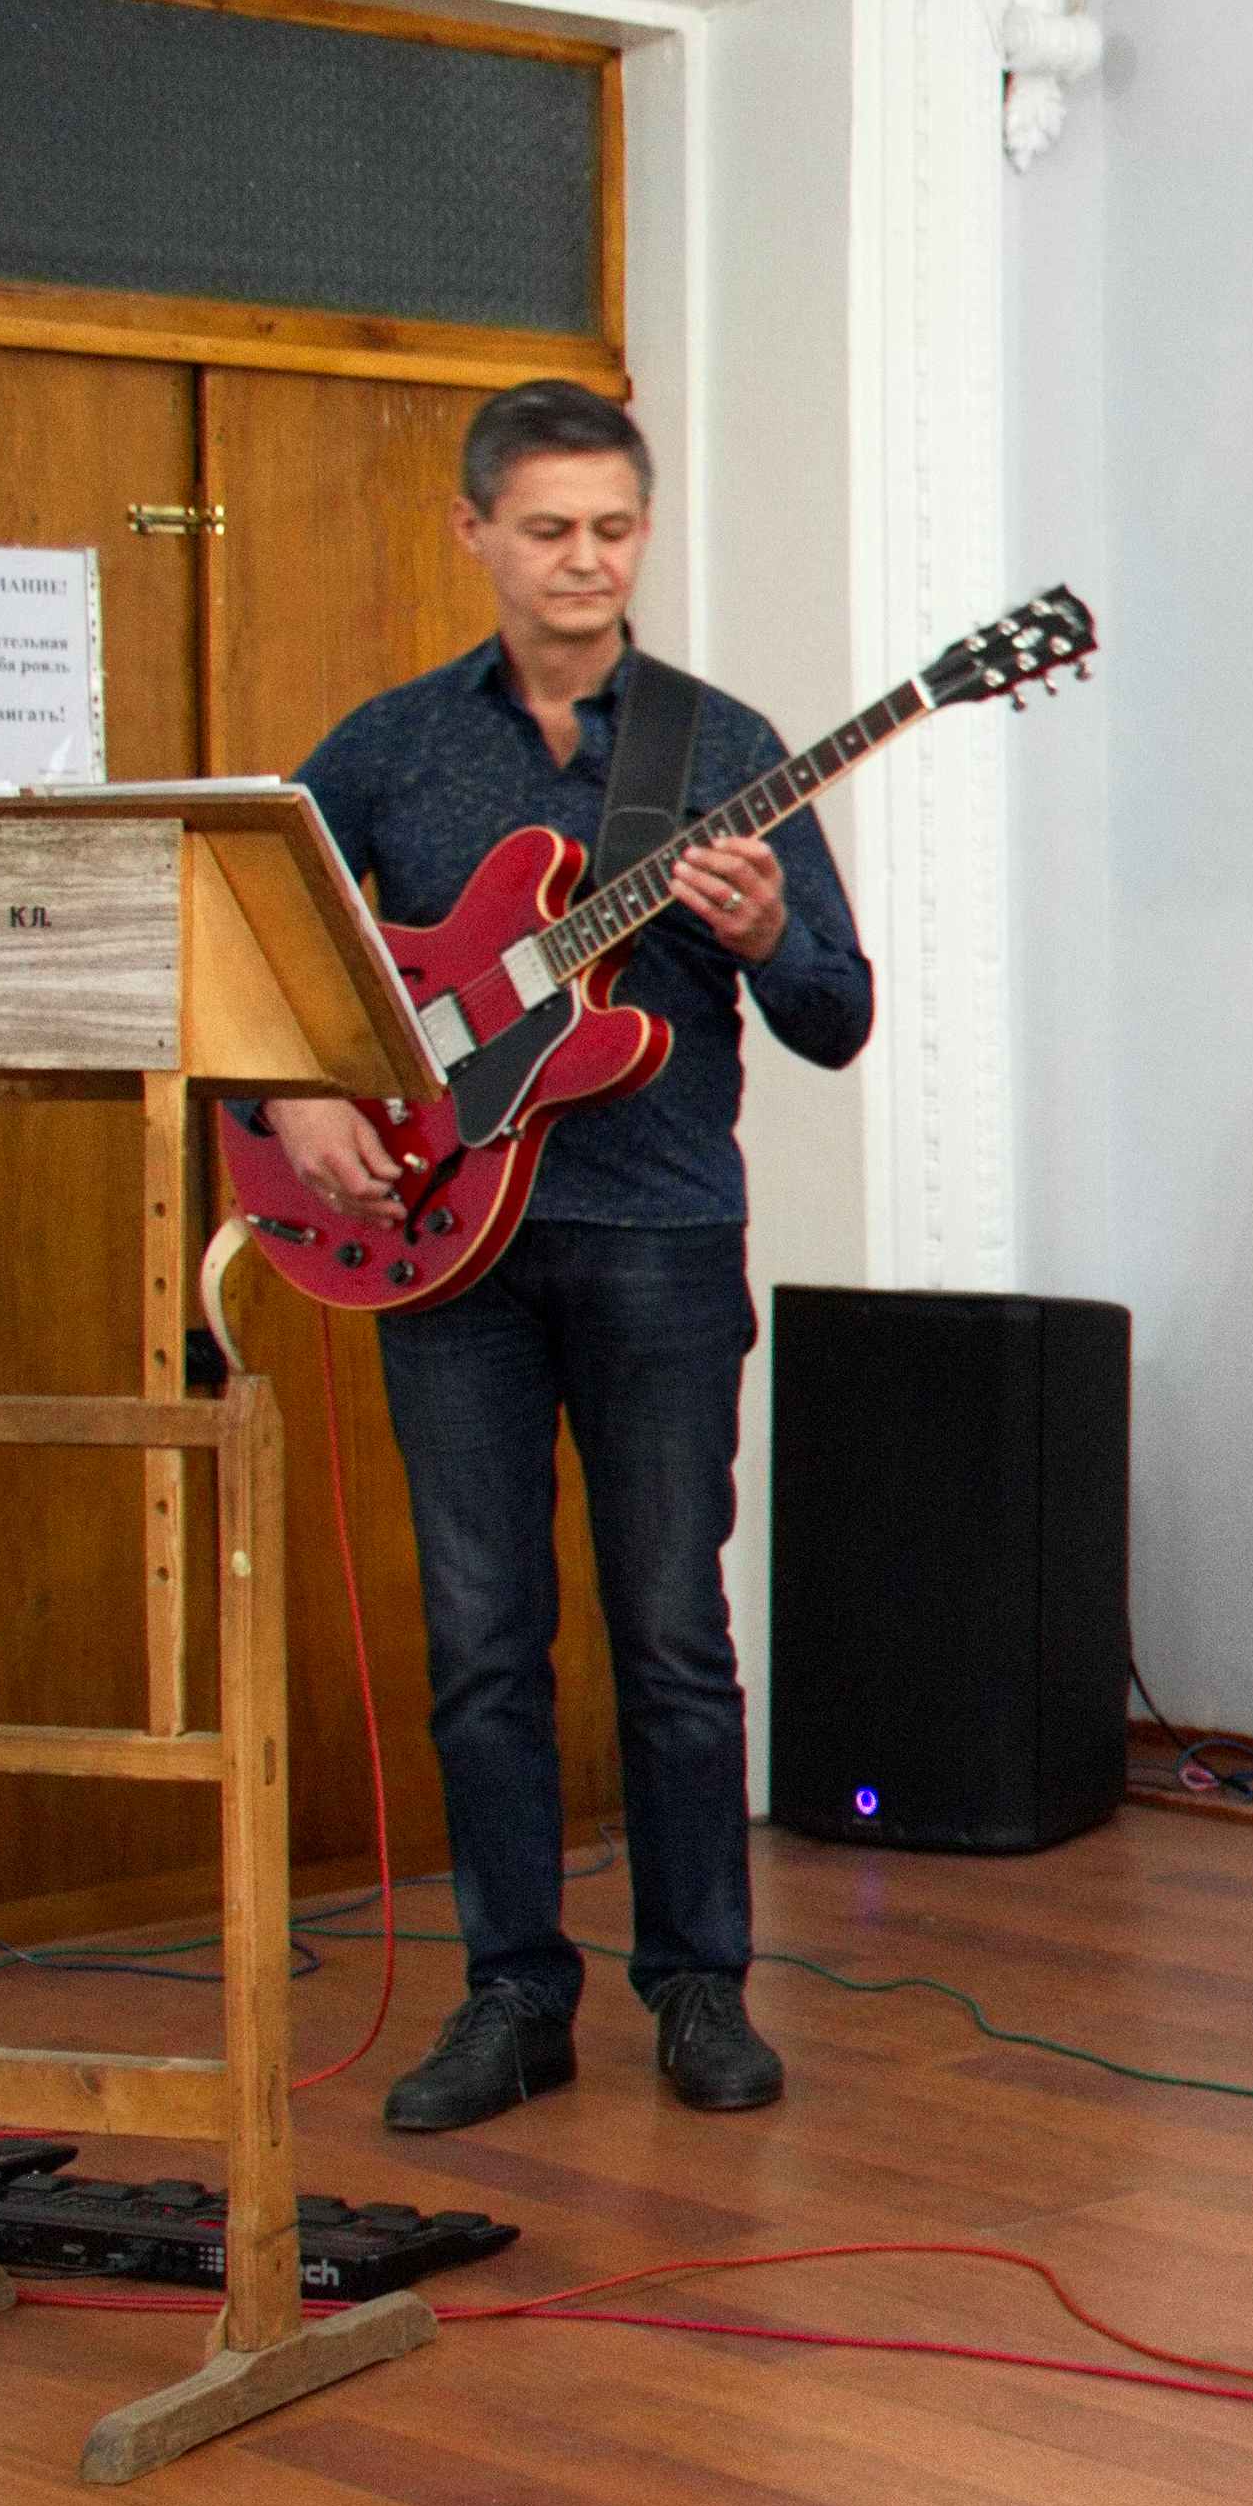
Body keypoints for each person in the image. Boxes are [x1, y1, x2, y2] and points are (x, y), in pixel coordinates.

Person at [261, 380, 874, 2134]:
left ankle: (700, 1987)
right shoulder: (388, 750)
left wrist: (771, 932)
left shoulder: (723, 744)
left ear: (643, 532)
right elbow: (259, 953)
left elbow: (836, 1016)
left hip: (659, 1237)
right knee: (481, 1640)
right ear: (476, 534)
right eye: (548, 529)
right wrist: (294, 1095)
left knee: (672, 1631)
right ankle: (513, 1995)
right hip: (445, 1249)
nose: (586, 560)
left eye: (613, 528)